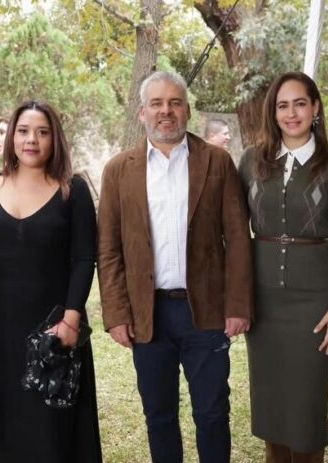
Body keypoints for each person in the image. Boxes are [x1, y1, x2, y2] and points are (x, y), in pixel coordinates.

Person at [98, 71, 253, 463]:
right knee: (159, 415)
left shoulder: (216, 162)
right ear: (142, 112)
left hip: (206, 314)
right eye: (157, 103)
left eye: (174, 103)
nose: (165, 111)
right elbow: (109, 249)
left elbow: (238, 239)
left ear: (187, 110)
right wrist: (116, 314)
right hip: (148, 315)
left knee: (212, 413)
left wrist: (238, 305)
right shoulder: (119, 170)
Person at [0, 100, 101, 462]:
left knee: (52, 428)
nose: (32, 140)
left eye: (42, 132)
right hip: (1, 325)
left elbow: (84, 258)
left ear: (55, 139)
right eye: (24, 131)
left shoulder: (72, 190)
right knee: (7, 422)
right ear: (11, 137)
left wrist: (71, 318)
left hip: (55, 324)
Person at [238, 72, 328, 463]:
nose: (291, 114)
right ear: (272, 113)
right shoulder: (251, 161)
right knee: (270, 405)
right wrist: (236, 300)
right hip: (262, 302)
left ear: (315, 108)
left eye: (300, 104)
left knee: (306, 409)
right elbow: (235, 234)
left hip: (314, 304)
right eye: (283, 106)